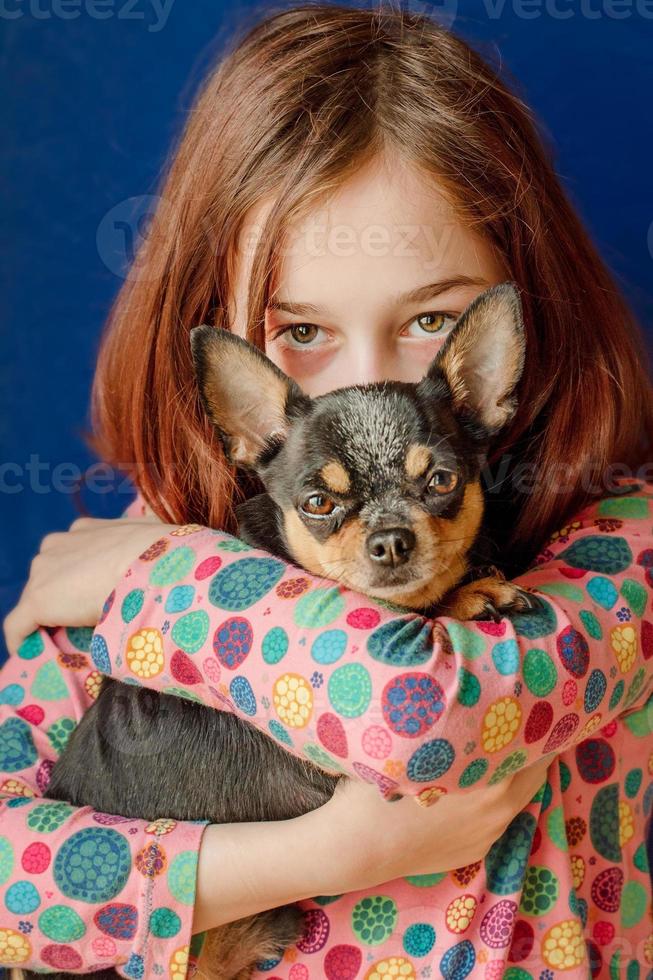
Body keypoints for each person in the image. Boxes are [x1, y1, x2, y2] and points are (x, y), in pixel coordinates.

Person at [2, 4, 653, 978]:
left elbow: (422, 709)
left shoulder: (617, 548)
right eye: (301, 333)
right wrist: (318, 856)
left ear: (501, 339)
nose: (359, 389)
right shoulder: (160, 531)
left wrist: (156, 576)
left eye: (430, 317)